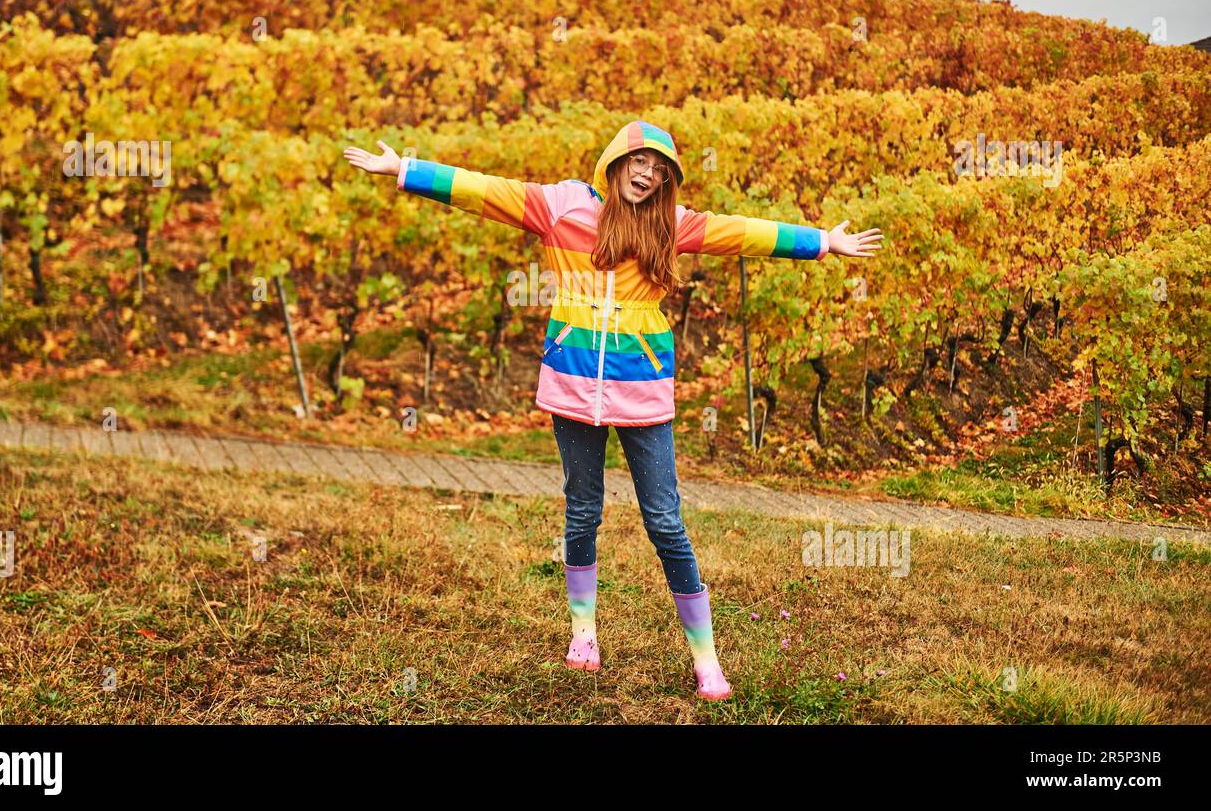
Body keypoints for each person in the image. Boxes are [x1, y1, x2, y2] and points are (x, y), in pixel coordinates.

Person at [344, 120, 882, 700]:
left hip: (642, 387)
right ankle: (583, 634)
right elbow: (484, 190)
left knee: (666, 521)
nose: (647, 175)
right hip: (573, 384)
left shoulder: (669, 226)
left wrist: (822, 243)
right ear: (616, 163)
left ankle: (706, 662)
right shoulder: (562, 205)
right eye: (639, 162)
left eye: (660, 169)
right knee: (582, 512)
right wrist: (406, 170)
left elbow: (743, 233)